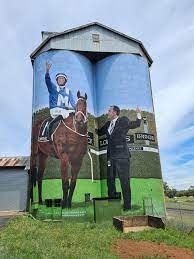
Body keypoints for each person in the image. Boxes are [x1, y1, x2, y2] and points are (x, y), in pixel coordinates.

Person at [96, 105, 141, 211]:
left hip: (122, 156)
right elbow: (98, 132)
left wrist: (138, 114)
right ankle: (112, 206)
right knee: (110, 182)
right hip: (110, 158)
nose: (107, 112)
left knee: (124, 182)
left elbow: (136, 124)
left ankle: (127, 207)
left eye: (109, 111)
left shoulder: (123, 120)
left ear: (115, 112)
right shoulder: (107, 124)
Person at [45, 61, 76, 140]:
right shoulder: (53, 88)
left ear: (65, 80)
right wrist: (47, 71)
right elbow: (48, 82)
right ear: (57, 80)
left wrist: (78, 111)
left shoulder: (68, 91)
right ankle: (50, 128)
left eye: (62, 78)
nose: (61, 80)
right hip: (55, 110)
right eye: (59, 78)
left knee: (72, 114)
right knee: (65, 113)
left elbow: (73, 103)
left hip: (64, 111)